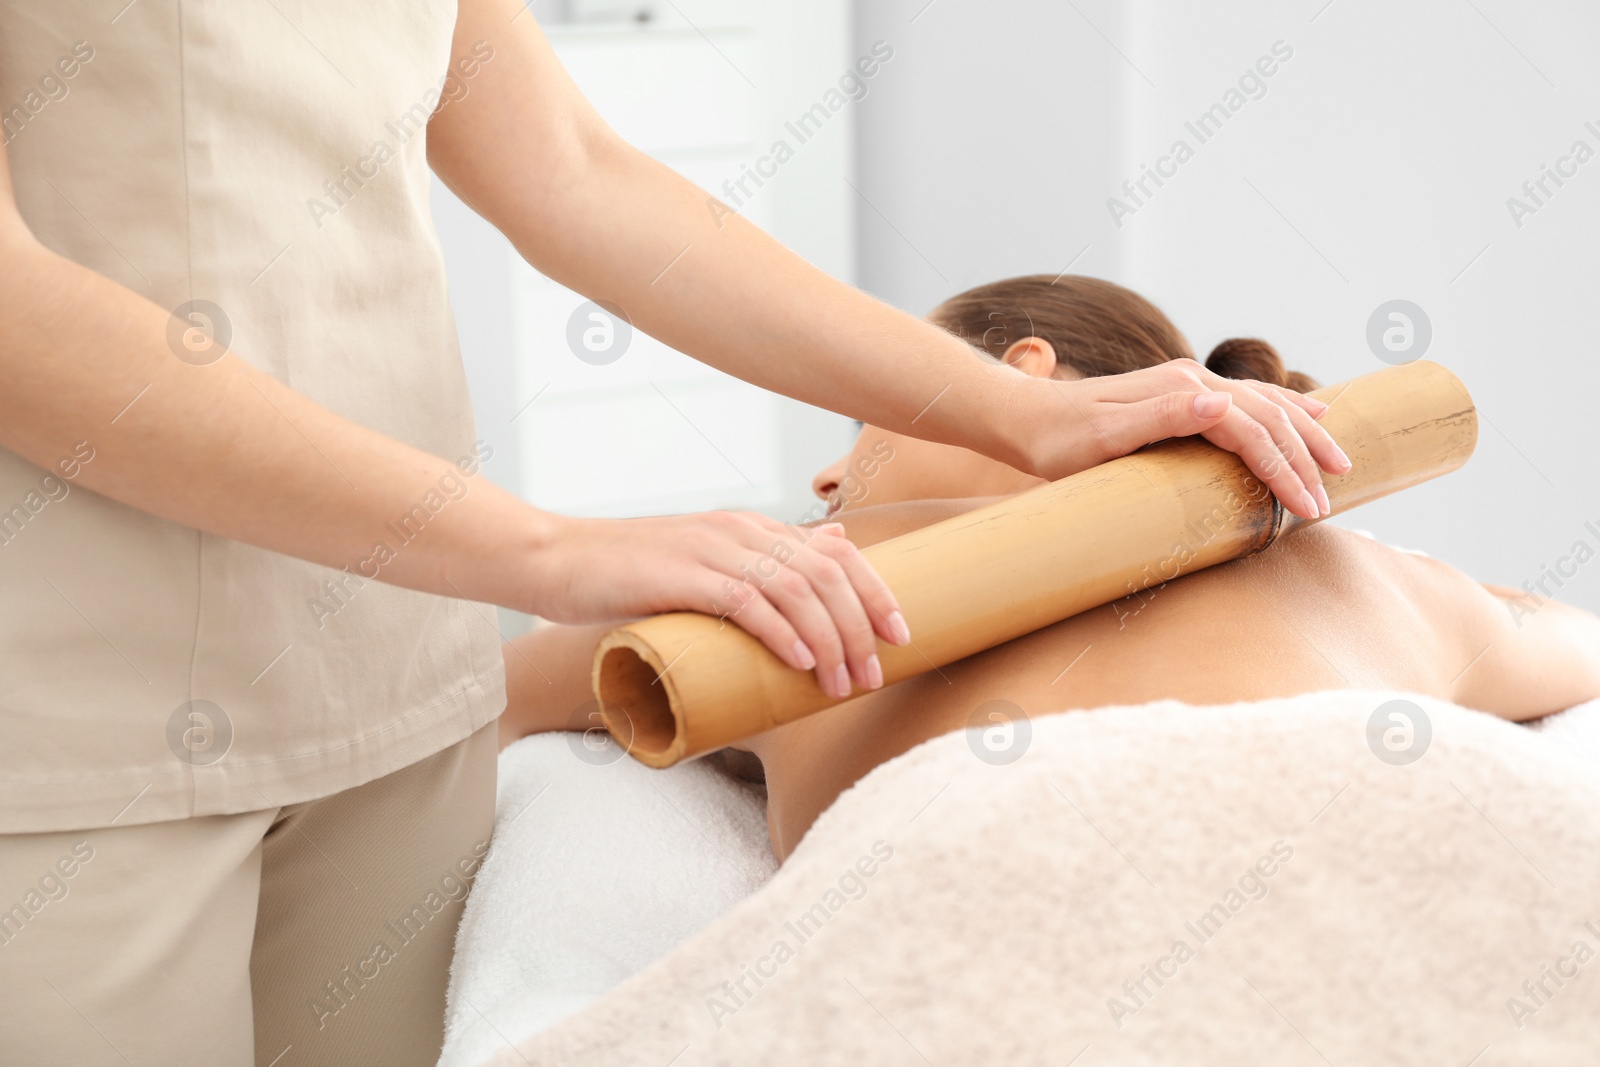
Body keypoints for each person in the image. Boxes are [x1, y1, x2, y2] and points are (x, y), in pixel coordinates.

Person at [0, 4, 1344, 1064]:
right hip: (89, 697)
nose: (828, 485)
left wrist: (1016, 416)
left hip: (393, 670)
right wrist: (550, 550)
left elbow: (575, 172)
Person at [499, 274, 1600, 861]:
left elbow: (484, 700)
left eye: (863, 424)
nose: (828, 478)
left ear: (1022, 368)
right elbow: (1573, 639)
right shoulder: (1379, 573)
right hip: (1443, 863)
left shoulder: (807, 584)